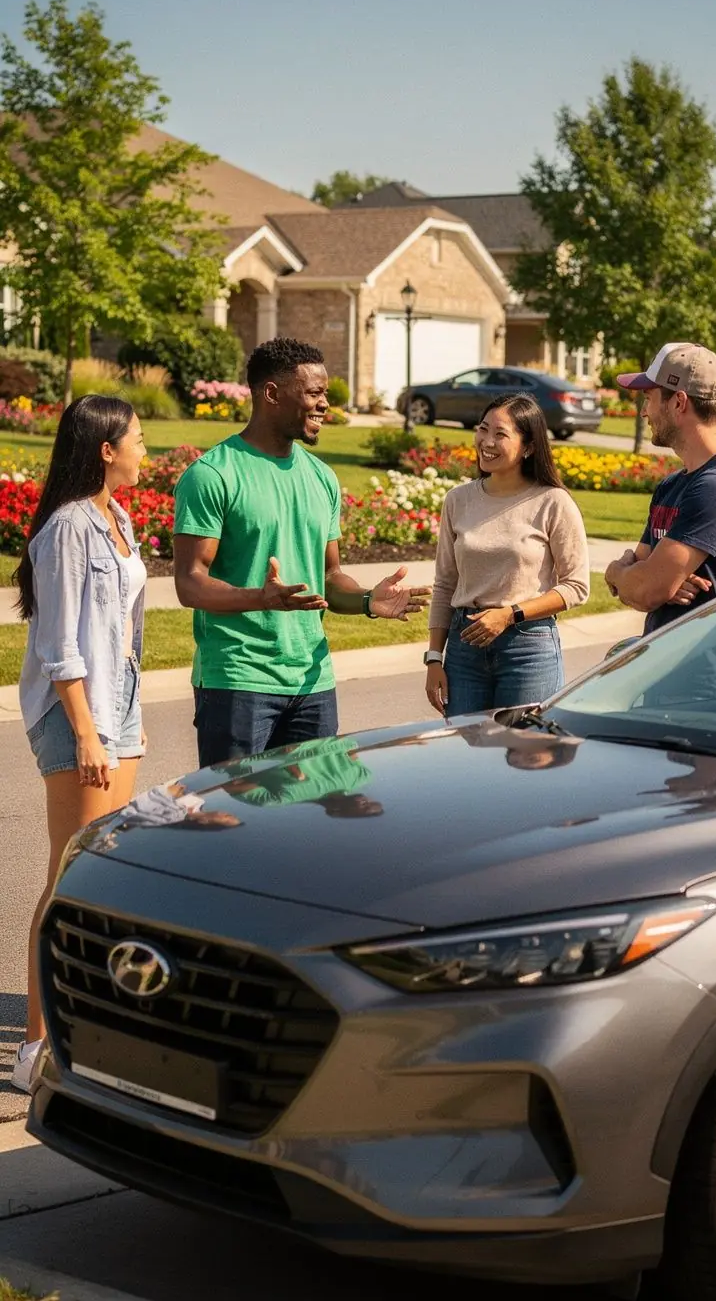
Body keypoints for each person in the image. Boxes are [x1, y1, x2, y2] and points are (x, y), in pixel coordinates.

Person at [173, 337, 429, 766]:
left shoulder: (322, 478)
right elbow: (189, 582)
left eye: (325, 393)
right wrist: (260, 598)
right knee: (238, 821)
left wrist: (368, 599)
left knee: (309, 820)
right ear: (271, 394)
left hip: (313, 681)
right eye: (314, 393)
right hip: (238, 679)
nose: (325, 404)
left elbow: (330, 577)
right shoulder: (213, 475)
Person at [12, 396, 148, 1093]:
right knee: (72, 880)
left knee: (104, 878)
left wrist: (126, 720)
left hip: (116, 712)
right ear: (105, 447)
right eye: (137, 437)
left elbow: (123, 632)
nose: (144, 447)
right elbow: (61, 646)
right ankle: (37, 1047)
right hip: (79, 717)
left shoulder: (116, 519)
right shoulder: (67, 529)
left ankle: (81, 1031)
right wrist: (90, 731)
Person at [425, 393, 590, 718]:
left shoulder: (553, 502)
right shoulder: (458, 500)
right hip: (464, 647)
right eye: (483, 429)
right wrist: (434, 657)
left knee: (524, 757)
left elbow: (576, 587)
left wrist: (509, 614)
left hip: (528, 647)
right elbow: (445, 584)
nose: (486, 441)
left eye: (500, 434)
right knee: (466, 756)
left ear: (528, 447)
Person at [604, 344, 716, 638]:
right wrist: (644, 577)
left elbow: (645, 590)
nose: (643, 412)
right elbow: (643, 575)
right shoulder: (672, 485)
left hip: (709, 678)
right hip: (667, 669)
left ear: (678, 402)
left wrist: (618, 573)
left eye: (649, 398)